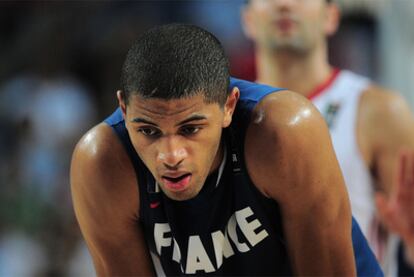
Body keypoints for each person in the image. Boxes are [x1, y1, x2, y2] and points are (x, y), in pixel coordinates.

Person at [71, 23, 381, 276]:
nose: (170, 155)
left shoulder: (283, 132)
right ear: (123, 110)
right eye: (148, 131)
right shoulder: (102, 163)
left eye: (190, 129)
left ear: (228, 106)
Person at [241, 0, 414, 275]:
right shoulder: (227, 117)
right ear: (248, 20)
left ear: (331, 16)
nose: (284, 4)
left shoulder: (379, 110)